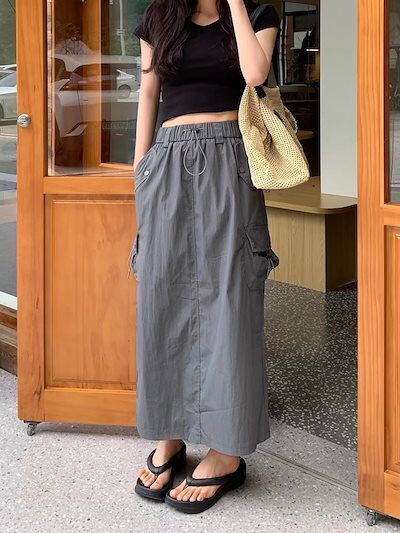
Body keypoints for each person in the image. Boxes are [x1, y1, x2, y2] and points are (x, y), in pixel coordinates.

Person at [129, 0, 280, 514]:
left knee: (230, 302)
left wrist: (233, 3)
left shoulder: (257, 14)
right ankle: (169, 435)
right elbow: (149, 94)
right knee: (161, 299)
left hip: (230, 162)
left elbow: (255, 74)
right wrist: (141, 173)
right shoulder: (158, 19)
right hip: (167, 161)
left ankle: (226, 452)